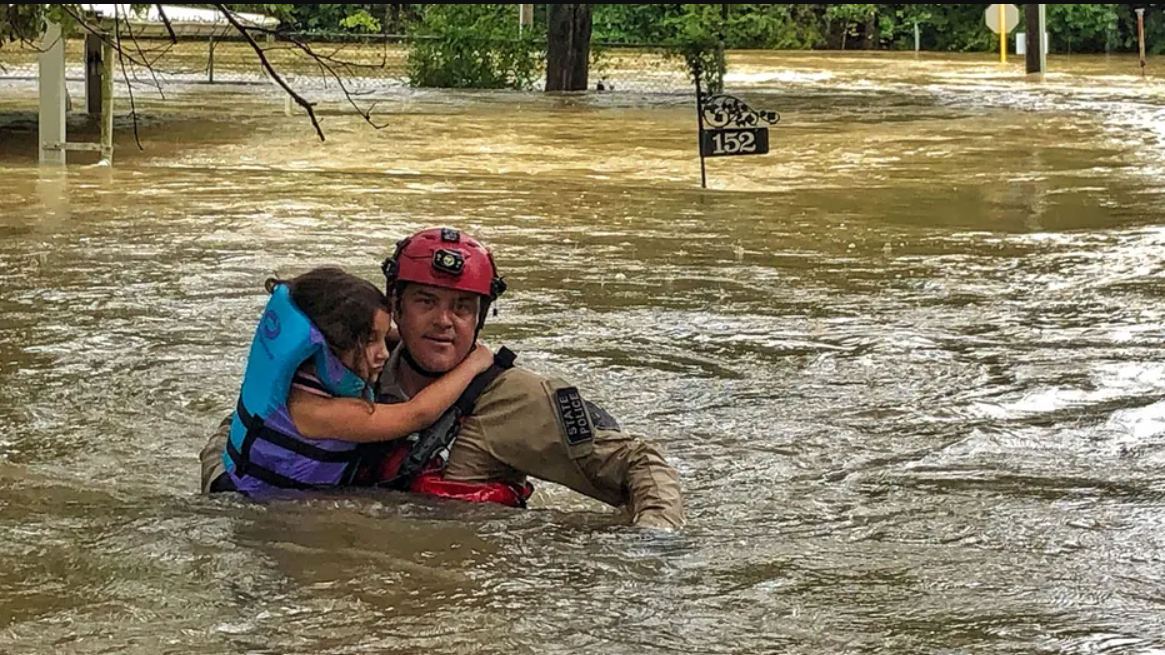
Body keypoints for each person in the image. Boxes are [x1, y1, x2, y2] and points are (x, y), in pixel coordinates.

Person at [201, 228, 685, 530]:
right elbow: (244, 427)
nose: (444, 322)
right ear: (395, 306)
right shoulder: (356, 365)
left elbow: (638, 462)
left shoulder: (519, 398)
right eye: (425, 302)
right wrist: (226, 493)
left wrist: (654, 542)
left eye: (463, 308)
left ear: (480, 318)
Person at [216, 266, 496, 496]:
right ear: (334, 341)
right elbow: (416, 414)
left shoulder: (309, 370)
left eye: (384, 336)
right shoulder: (313, 410)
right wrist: (475, 362)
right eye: (372, 340)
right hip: (268, 514)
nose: (384, 352)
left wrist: (419, 336)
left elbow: (378, 339)